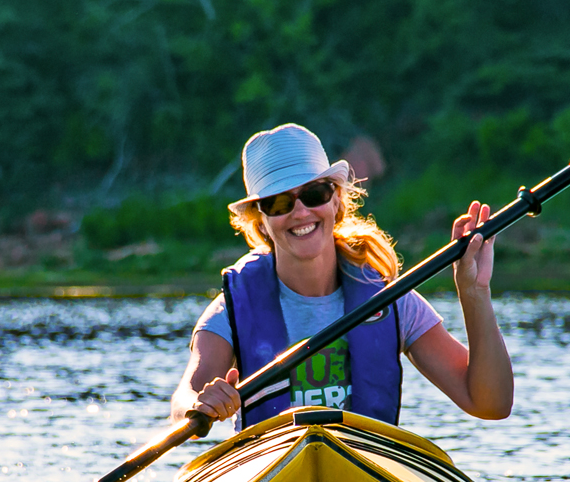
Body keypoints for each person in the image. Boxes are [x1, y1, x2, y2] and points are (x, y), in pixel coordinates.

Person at [171, 123, 513, 429]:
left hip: (364, 469)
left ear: (336, 201)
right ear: (261, 220)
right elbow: (183, 399)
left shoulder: (391, 301)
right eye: (279, 204)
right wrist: (199, 404)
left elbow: (491, 404)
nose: (301, 211)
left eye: (313, 194)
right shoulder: (229, 311)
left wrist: (474, 291)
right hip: (271, 477)